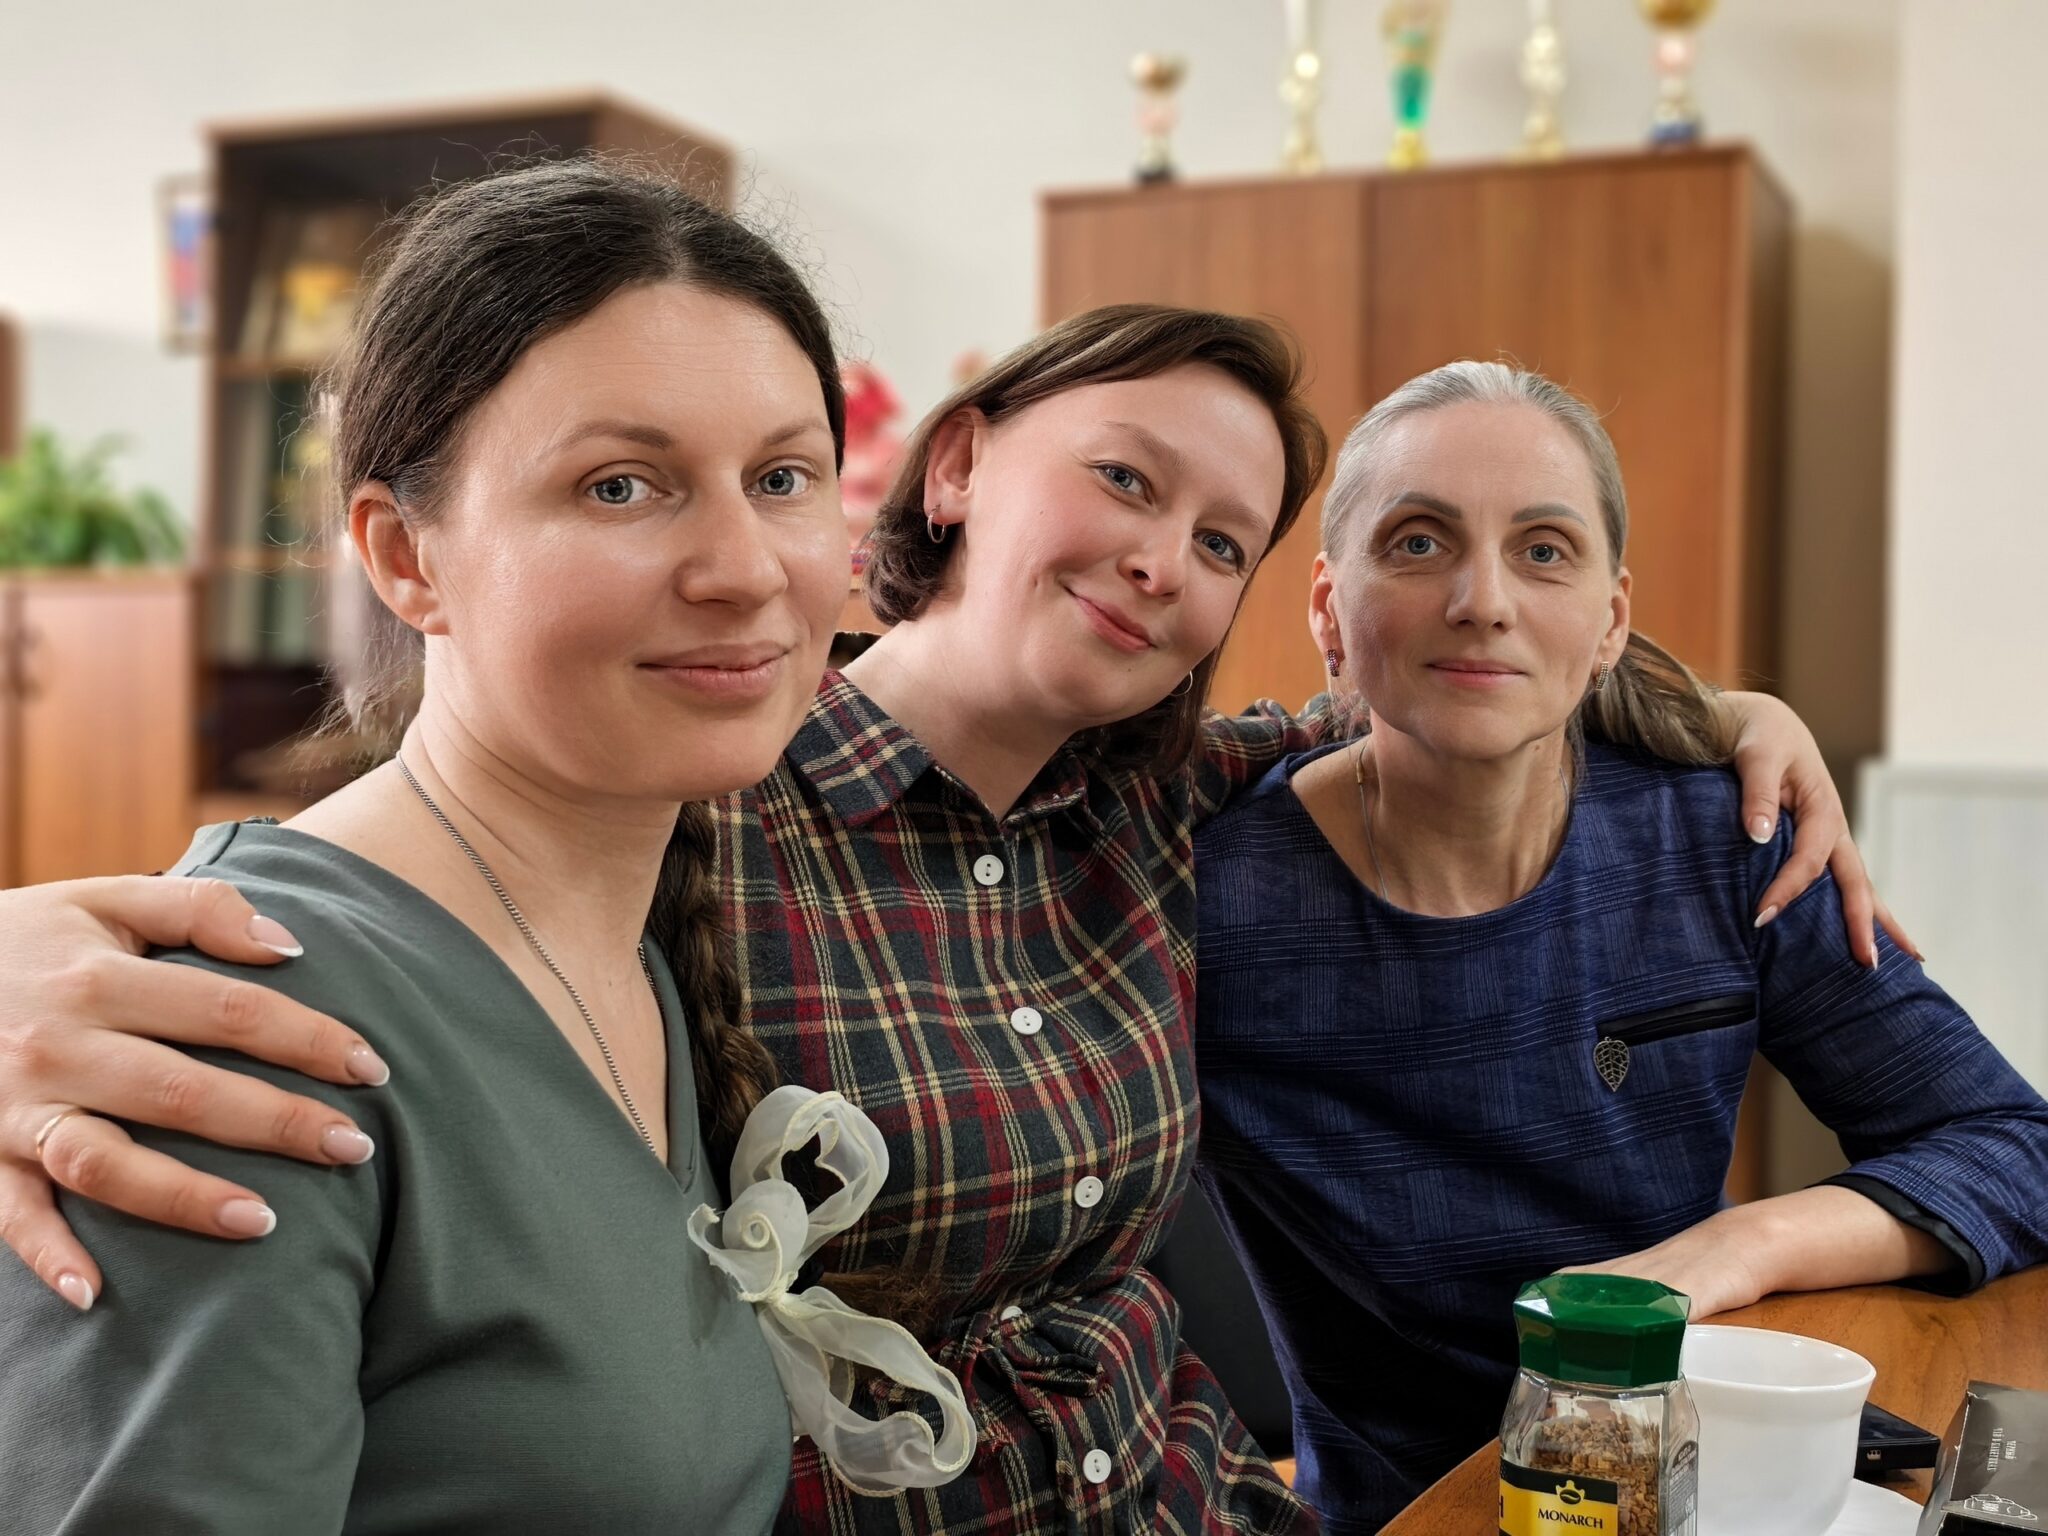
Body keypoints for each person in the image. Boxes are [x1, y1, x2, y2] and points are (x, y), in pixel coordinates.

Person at [0, 298, 1889, 1527]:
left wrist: (1718, 711)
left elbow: (1447, 684)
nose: (1161, 559)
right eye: (1124, 479)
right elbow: (410, 862)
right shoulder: (697, 783)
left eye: (1220, 543)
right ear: (963, 461)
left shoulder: (1168, 795)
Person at [0, 159, 858, 1530]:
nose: (746, 567)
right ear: (405, 557)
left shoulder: (634, 945)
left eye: (781, 477)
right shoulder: (237, 1037)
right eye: (621, 487)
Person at [1191, 360, 2048, 1536]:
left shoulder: (1723, 834)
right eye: (1418, 542)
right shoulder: (1203, 901)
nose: (1481, 600)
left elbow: (2011, 1144)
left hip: (1695, 1486)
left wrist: (1732, 1248)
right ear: (1327, 609)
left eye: (1542, 550)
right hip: (1411, 1515)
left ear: (1610, 621)